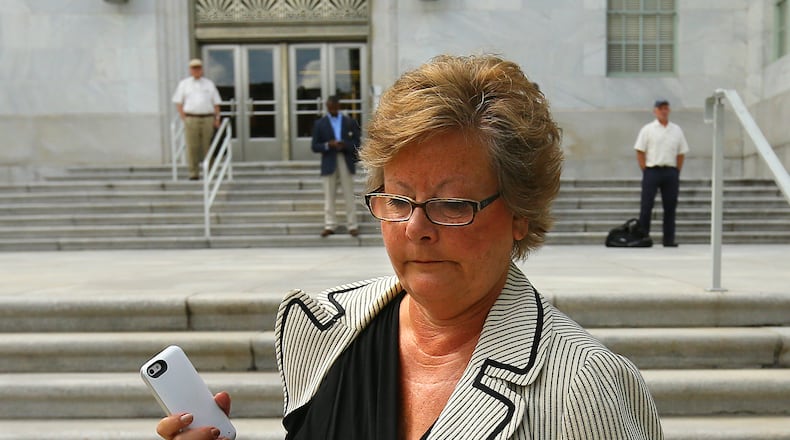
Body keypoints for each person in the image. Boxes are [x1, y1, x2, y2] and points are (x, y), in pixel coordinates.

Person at [156, 55, 663, 440]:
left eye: (451, 204)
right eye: (398, 198)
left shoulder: (582, 388)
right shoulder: (321, 332)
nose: (415, 228)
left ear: (519, 214)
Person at [634, 99, 690, 247]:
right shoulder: (648, 129)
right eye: (660, 109)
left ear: (669, 111)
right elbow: (640, 150)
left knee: (670, 206)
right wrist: (644, 168)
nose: (663, 111)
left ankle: (668, 239)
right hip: (652, 170)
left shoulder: (676, 130)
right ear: (655, 111)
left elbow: (681, 152)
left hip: (670, 171)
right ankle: (643, 237)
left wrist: (677, 170)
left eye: (666, 108)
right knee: (646, 206)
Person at [311, 95, 362, 237]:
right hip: (329, 161)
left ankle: (352, 225)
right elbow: (314, 146)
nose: (332, 109)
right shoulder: (320, 124)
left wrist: (344, 144)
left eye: (335, 107)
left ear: (339, 106)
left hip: (345, 160)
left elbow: (357, 143)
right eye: (330, 107)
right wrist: (328, 144)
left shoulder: (349, 122)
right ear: (327, 107)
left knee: (348, 194)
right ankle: (330, 225)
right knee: (329, 195)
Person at [172, 58, 222, 181]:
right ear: (190, 70)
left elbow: (216, 103)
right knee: (192, 146)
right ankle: (193, 173)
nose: (196, 71)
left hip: (207, 118)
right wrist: (184, 117)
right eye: (194, 68)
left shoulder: (209, 84)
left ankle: (210, 171)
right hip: (191, 118)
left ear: (202, 69)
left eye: (198, 68)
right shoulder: (184, 84)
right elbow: (178, 102)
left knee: (208, 146)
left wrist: (217, 118)